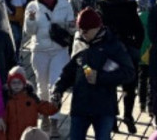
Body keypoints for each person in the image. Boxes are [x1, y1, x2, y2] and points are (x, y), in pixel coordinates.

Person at [53, 8, 136, 140]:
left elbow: (129, 73)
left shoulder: (113, 45)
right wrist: (58, 89)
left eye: (85, 31)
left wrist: (100, 77)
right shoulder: (80, 42)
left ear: (97, 28)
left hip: (103, 107)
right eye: (80, 30)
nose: (82, 34)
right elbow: (70, 71)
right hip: (80, 106)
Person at [97, 0, 146, 134]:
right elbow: (140, 32)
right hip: (127, 53)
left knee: (110, 86)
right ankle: (128, 115)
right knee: (129, 86)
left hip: (110, 54)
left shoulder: (102, 8)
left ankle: (112, 119)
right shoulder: (130, 7)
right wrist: (134, 46)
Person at [0, 68, 57, 140]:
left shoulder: (32, 99)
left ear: (24, 83)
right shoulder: (6, 101)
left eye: (19, 82)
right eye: (13, 82)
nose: (16, 85)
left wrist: (56, 104)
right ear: (9, 84)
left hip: (29, 137)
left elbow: (46, 108)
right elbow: (2, 126)